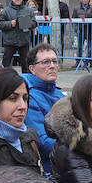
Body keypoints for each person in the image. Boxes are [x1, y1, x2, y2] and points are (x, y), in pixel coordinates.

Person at [22, 43, 65, 172]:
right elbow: (43, 143)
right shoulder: (27, 95)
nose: (52, 66)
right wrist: (79, 146)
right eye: (45, 62)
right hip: (48, 169)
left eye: (54, 61)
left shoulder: (60, 94)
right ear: (32, 69)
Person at [0, 0, 36, 72]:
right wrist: (10, 24)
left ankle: (27, 82)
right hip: (10, 42)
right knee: (6, 65)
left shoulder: (28, 10)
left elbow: (34, 23)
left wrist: (25, 23)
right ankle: (5, 82)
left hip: (24, 41)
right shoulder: (6, 11)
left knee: (26, 65)